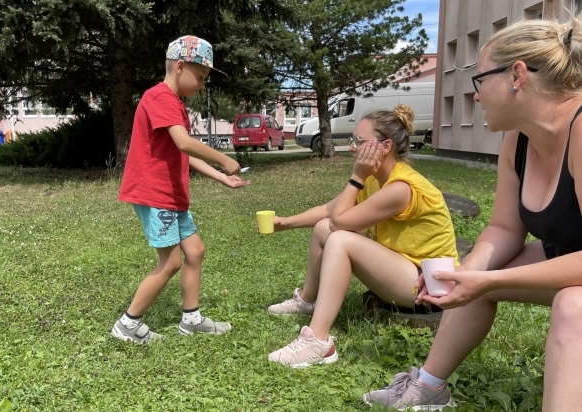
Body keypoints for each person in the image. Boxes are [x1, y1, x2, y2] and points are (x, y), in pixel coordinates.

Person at [362, 15, 582, 411]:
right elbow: (503, 228)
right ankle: (428, 388)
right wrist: (468, 275)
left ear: (517, 75)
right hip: (569, 258)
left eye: (480, 80)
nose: (476, 96)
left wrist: (485, 279)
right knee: (478, 276)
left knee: (572, 307)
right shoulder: (516, 141)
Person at [267, 104, 459, 367]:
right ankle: (308, 300)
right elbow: (328, 211)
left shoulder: (400, 188)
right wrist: (286, 223)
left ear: (385, 146)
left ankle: (318, 341)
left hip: (430, 285)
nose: (352, 147)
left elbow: (341, 221)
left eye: (359, 141)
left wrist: (356, 176)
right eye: (352, 140)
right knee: (325, 228)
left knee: (340, 238)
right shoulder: (374, 178)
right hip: (406, 269)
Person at [111, 35, 249, 344]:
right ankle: (127, 325)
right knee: (171, 261)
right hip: (156, 195)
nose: (201, 86)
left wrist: (221, 177)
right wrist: (225, 159)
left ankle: (191, 319)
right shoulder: (159, 97)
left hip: (172, 196)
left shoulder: (174, 103)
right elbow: (185, 143)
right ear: (180, 67)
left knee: (195, 251)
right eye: (200, 78)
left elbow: (181, 154)